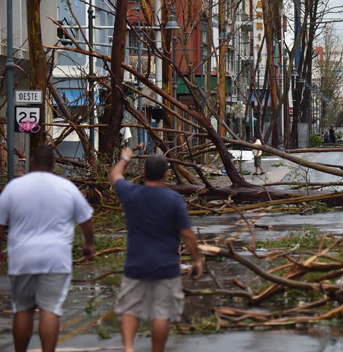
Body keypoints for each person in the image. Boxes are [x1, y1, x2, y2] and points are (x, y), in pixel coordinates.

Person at [0, 145, 95, 352]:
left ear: (31, 161)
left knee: (22, 310)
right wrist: (89, 244)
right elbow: (86, 219)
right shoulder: (67, 188)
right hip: (55, 259)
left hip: (21, 257)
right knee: (50, 309)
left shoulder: (14, 188)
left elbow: (0, 222)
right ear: (54, 163)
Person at [110, 148, 203, 352]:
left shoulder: (131, 193)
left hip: (136, 264)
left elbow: (115, 175)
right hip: (166, 266)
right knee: (161, 313)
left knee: (129, 308)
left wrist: (125, 157)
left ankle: (128, 348)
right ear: (166, 175)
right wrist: (197, 259)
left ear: (143, 173)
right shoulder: (174, 200)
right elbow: (187, 234)